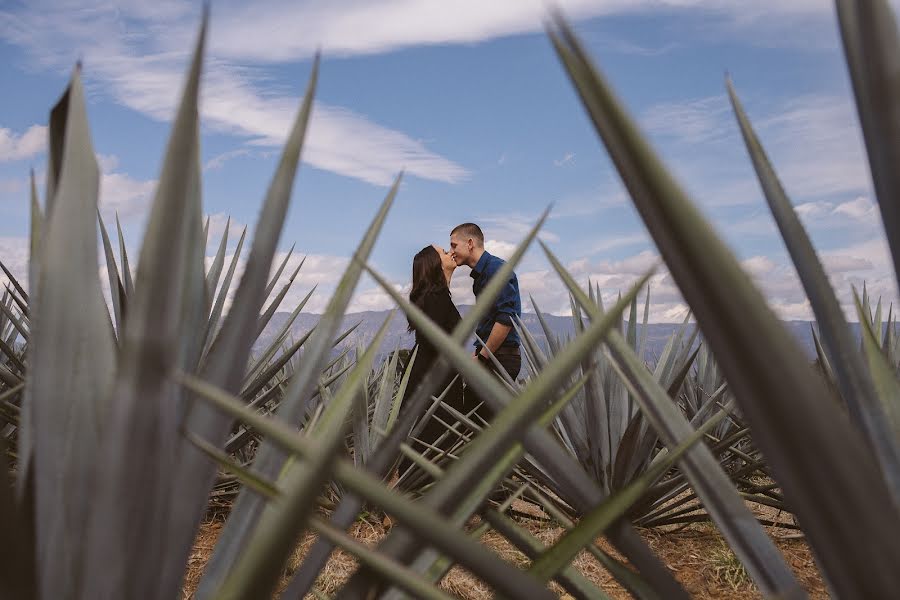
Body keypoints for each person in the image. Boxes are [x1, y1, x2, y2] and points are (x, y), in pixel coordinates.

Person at [396, 244, 467, 481]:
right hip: (434, 378)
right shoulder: (436, 299)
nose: (449, 252)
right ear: (434, 264)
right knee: (433, 433)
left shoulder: (436, 296)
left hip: (432, 375)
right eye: (443, 252)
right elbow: (438, 341)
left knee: (430, 433)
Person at [449, 223, 522, 420]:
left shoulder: (496, 270)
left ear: (470, 243)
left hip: (501, 360)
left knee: (483, 426)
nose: (451, 252)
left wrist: (482, 358)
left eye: (454, 245)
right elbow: (488, 322)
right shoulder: (482, 276)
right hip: (492, 358)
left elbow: (506, 319)